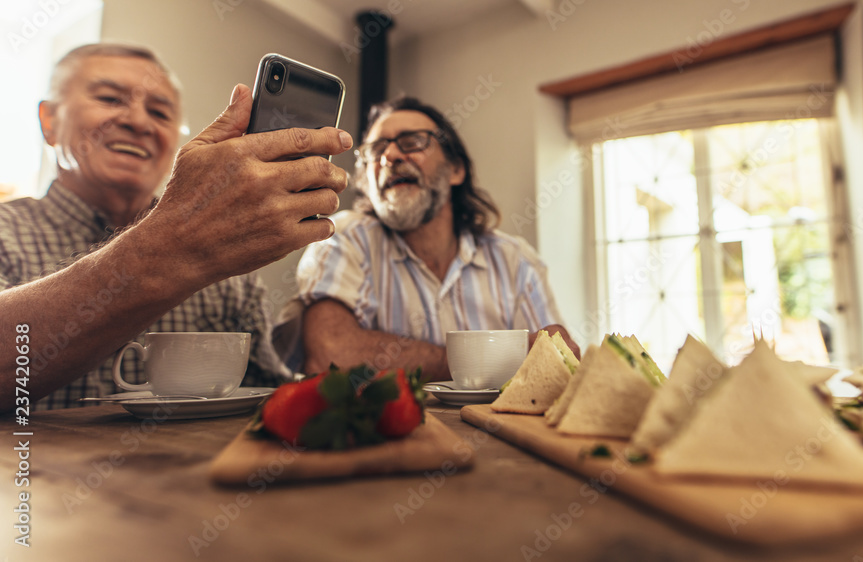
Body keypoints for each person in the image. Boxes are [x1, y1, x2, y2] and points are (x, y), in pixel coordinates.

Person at [0, 43, 351, 412]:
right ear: (49, 121)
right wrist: (172, 245)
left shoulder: (232, 268)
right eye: (108, 98)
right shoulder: (7, 231)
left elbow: (263, 391)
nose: (138, 122)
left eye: (159, 112)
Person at [292, 95, 579, 381]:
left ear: (455, 170)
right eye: (375, 150)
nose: (389, 157)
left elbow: (554, 362)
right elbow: (330, 357)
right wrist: (479, 364)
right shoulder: (343, 238)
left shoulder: (516, 260)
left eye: (413, 141)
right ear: (366, 182)